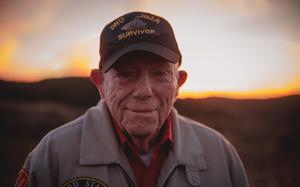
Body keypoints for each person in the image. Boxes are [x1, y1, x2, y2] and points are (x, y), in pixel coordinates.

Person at [15, 11, 248, 187]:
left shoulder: (220, 154)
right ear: (100, 84)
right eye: (126, 74)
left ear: (179, 83)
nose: (144, 90)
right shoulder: (53, 154)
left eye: (160, 74)